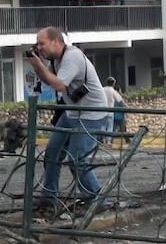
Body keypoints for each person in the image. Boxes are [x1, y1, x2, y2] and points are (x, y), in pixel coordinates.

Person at [27, 26, 111, 211]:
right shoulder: (56, 60)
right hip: (72, 111)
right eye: (37, 44)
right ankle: (49, 197)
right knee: (52, 153)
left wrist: (39, 65)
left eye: (42, 44)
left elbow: (58, 85)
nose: (39, 47)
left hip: (91, 114)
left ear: (56, 41)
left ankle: (97, 201)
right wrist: (38, 64)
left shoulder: (72, 56)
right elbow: (48, 78)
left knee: (77, 159)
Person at [103, 76, 127, 144]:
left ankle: (102, 139)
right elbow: (120, 100)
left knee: (103, 126)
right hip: (110, 111)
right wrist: (126, 107)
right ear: (113, 83)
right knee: (110, 127)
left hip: (102, 111)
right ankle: (108, 141)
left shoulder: (102, 89)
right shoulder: (113, 91)